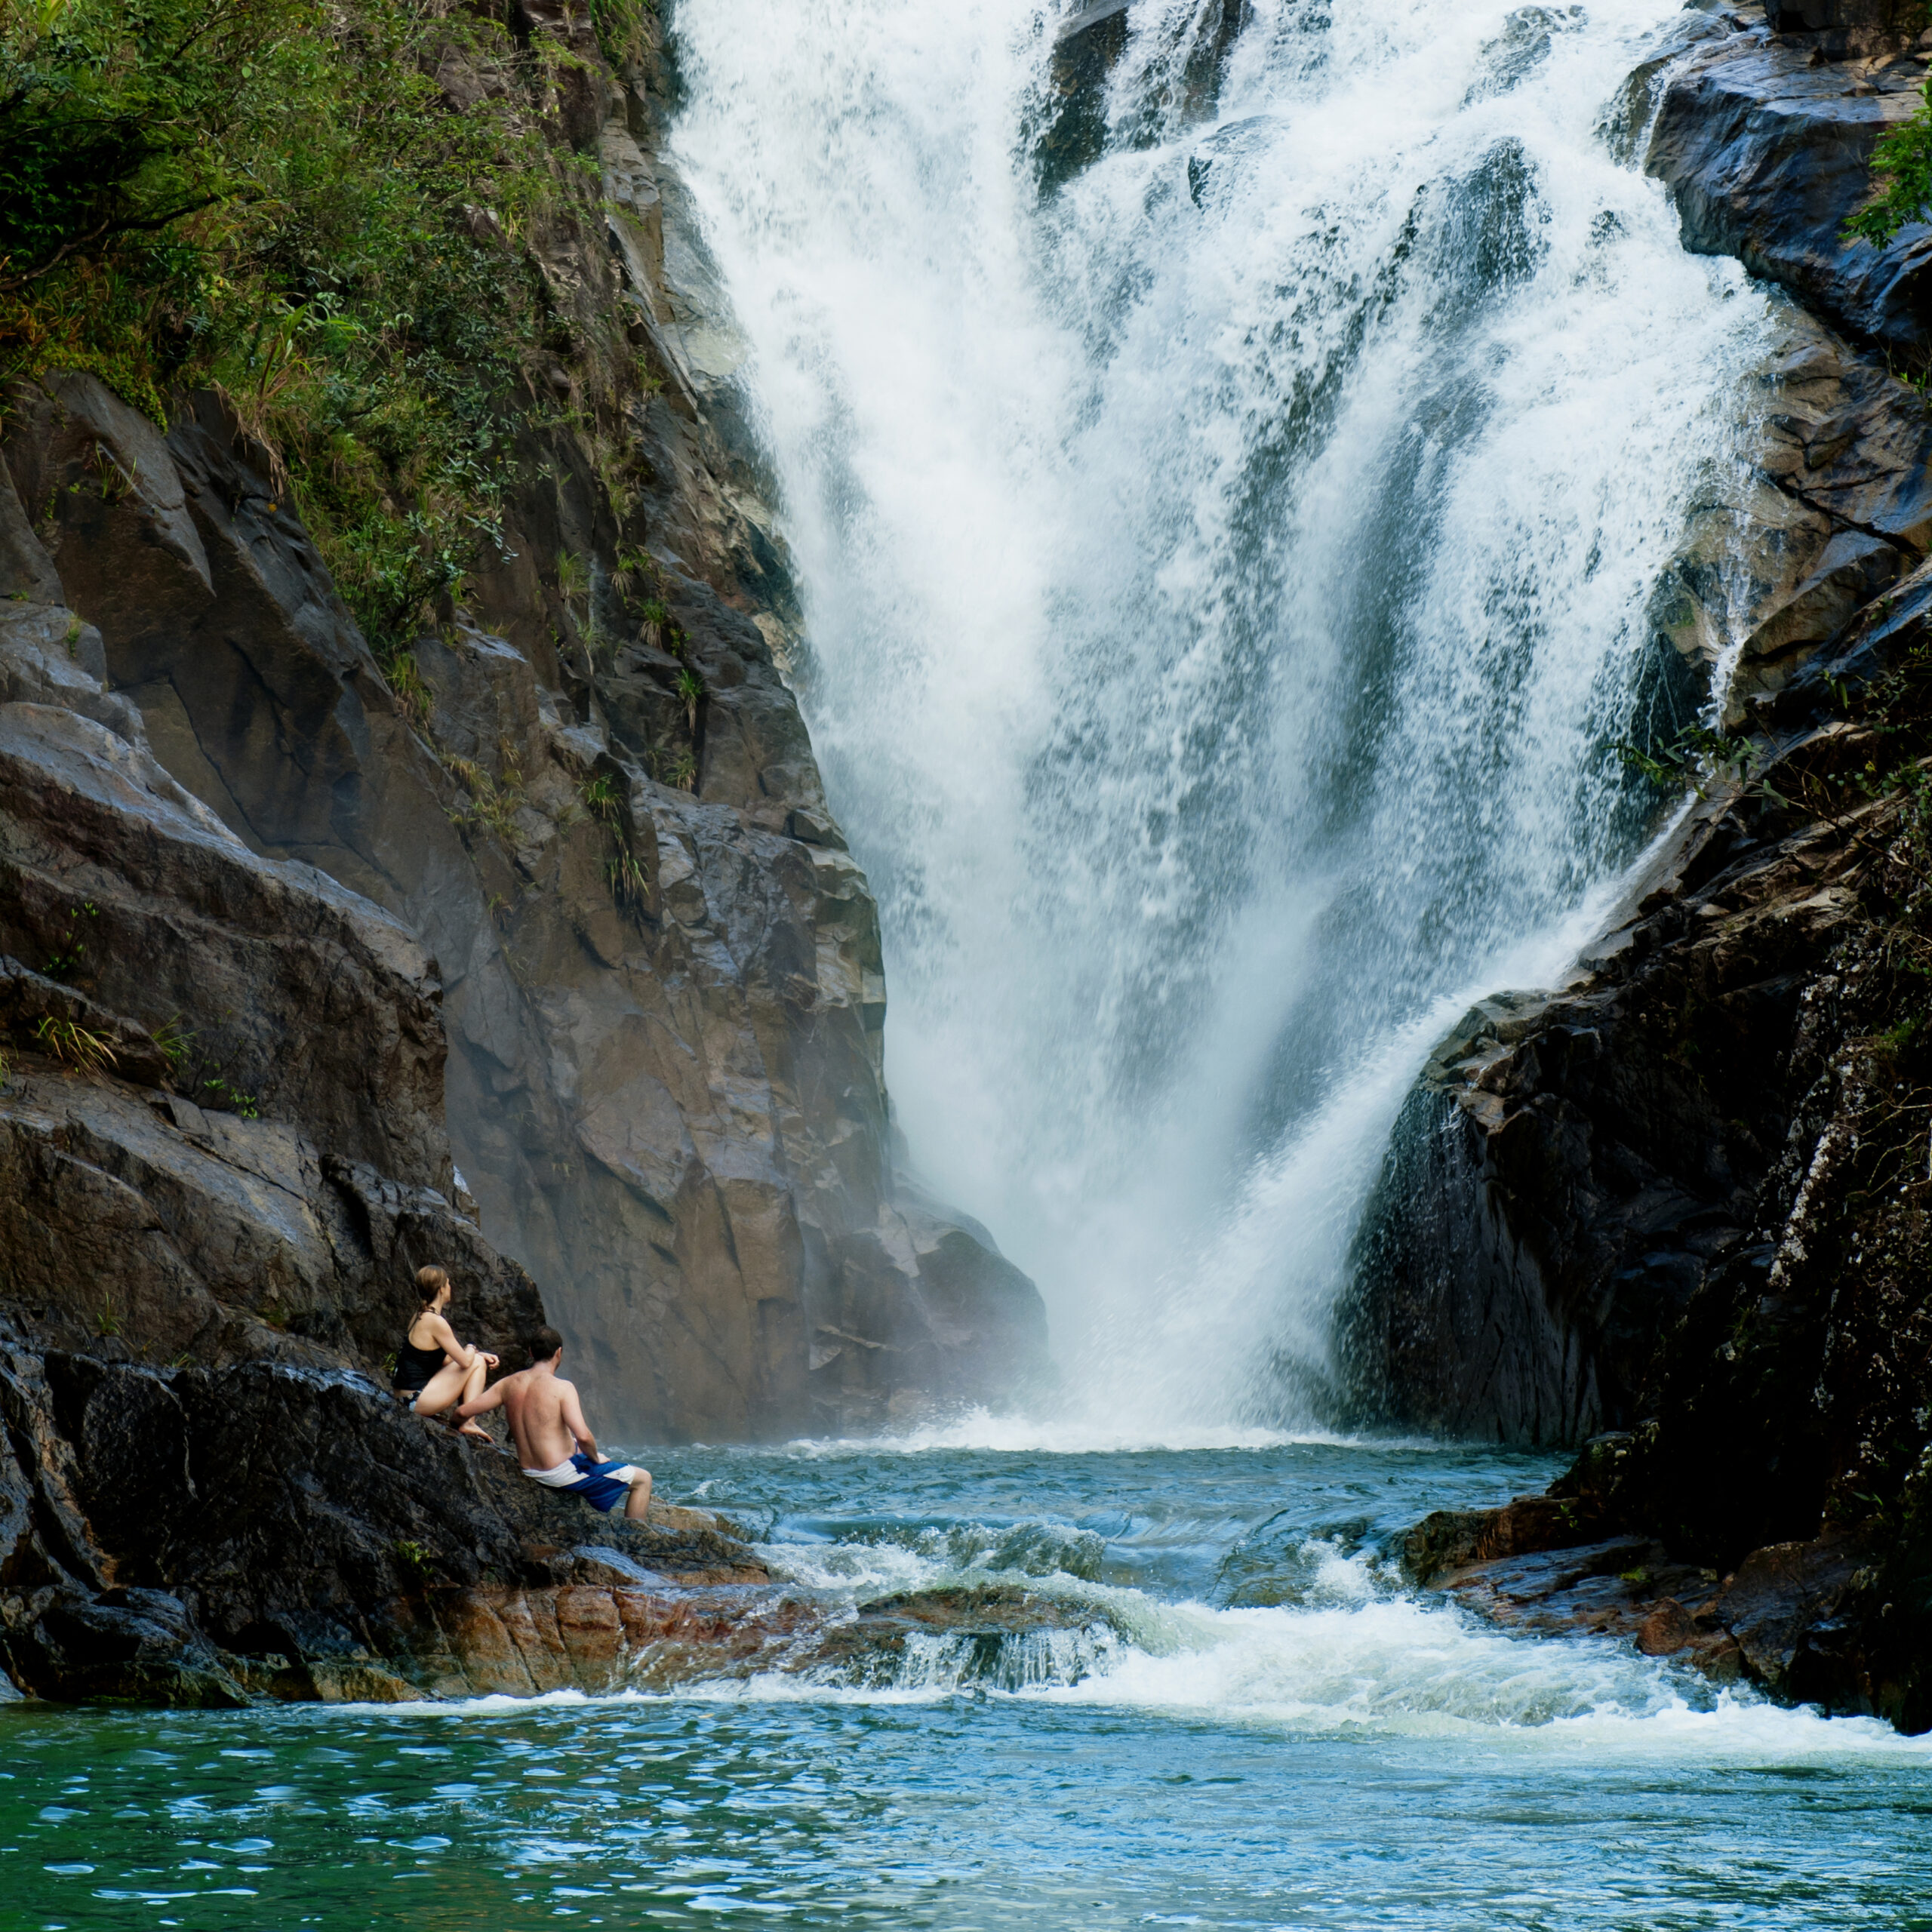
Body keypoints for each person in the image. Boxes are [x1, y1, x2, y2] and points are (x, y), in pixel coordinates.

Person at [457, 1325, 653, 1519]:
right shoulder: (562, 1388)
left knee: (574, 1445)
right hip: (558, 1475)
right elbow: (584, 1436)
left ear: (531, 1352)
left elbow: (462, 1412)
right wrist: (595, 1458)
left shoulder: (508, 1384)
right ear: (559, 1353)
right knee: (643, 1479)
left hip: (529, 1469)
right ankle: (634, 1538)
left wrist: (462, 1426)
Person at [394, 1265, 497, 1440]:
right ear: (441, 1289)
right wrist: (472, 1348)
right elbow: (465, 1362)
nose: (451, 1287)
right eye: (448, 1284)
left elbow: (445, 1360)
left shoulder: (419, 1315)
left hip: (404, 1396)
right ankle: (468, 1422)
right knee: (477, 1363)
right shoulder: (435, 1322)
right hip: (415, 1400)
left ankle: (467, 1421)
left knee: (477, 1360)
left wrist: (477, 1355)